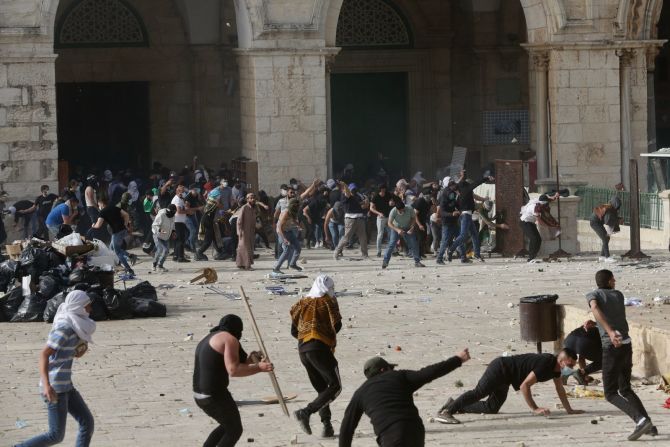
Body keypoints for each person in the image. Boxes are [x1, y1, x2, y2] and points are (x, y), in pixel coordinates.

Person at [339, 349, 470, 447]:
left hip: (391, 435)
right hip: (415, 430)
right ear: (383, 369)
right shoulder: (400, 376)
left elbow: (346, 428)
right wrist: (458, 359)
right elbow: (430, 372)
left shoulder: (360, 393)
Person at [16, 290, 96, 447]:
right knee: (55, 435)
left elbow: (65, 354)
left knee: (87, 422)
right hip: (55, 388)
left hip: (66, 385)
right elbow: (44, 355)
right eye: (88, 306)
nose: (90, 309)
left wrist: (79, 351)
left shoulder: (75, 325)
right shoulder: (65, 327)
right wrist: (46, 386)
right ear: (78, 307)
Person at [586, 270, 658, 440]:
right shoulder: (618, 295)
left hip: (611, 347)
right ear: (609, 281)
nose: (615, 281)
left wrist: (609, 331)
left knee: (610, 393)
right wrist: (601, 326)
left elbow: (595, 308)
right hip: (626, 345)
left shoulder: (593, 294)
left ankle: (640, 420)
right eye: (613, 279)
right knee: (625, 388)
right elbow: (610, 315)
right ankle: (649, 425)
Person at [435, 349, 583, 424]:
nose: (570, 368)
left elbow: (560, 389)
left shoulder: (556, 370)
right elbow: (525, 386)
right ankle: (447, 411)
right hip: (500, 368)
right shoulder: (546, 365)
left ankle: (454, 403)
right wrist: (535, 409)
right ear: (562, 361)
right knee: (479, 392)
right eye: (570, 364)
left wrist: (569, 410)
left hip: (507, 377)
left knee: (491, 407)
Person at [193, 315, 273, 447]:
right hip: (215, 394)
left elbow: (238, 362)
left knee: (227, 426)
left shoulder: (210, 337)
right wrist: (259, 368)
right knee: (234, 430)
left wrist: (253, 358)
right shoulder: (229, 339)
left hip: (199, 395)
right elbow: (234, 370)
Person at [290, 275, 342, 438]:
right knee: (335, 386)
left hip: (303, 350)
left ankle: (327, 426)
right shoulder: (328, 301)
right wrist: (322, 335)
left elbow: (294, 330)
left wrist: (307, 336)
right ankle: (306, 412)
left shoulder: (301, 302)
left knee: (322, 390)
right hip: (319, 348)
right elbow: (337, 324)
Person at [447, 171, 494, 263]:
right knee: (463, 235)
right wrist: (487, 178)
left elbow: (460, 185)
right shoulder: (467, 188)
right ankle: (451, 250)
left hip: (466, 215)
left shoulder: (459, 188)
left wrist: (462, 175)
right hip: (465, 216)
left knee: (474, 235)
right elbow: (477, 182)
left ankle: (477, 254)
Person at [91, 196, 134, 277]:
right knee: (111, 249)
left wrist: (93, 226)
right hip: (122, 230)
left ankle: (129, 270)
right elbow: (126, 215)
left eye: (98, 204)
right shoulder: (115, 207)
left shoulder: (102, 212)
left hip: (116, 232)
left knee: (117, 252)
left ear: (101, 203)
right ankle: (127, 258)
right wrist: (125, 224)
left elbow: (98, 225)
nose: (98, 206)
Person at [382, 200, 425, 269]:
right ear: (396, 209)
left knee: (414, 243)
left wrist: (412, 227)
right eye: (400, 211)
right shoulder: (393, 211)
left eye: (402, 210)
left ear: (404, 208)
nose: (401, 212)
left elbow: (413, 218)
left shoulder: (410, 209)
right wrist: (397, 230)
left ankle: (417, 262)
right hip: (396, 228)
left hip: (407, 227)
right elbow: (389, 223)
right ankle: (385, 261)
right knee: (392, 244)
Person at [519, 192, 560, 263]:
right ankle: (531, 257)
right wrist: (549, 227)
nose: (545, 206)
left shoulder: (540, 201)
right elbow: (540, 222)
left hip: (530, 222)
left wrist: (555, 196)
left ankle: (534, 255)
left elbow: (549, 199)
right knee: (534, 238)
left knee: (538, 239)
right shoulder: (536, 208)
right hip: (525, 222)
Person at [334, 182, 369, 260]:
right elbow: (348, 193)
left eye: (354, 189)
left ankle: (365, 254)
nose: (354, 191)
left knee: (363, 238)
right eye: (352, 189)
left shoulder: (358, 196)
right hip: (350, 219)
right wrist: (345, 185)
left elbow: (363, 207)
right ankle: (336, 252)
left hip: (360, 219)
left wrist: (366, 203)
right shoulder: (345, 195)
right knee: (346, 238)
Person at [590, 183, 623, 262]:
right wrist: (617, 220)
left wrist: (617, 219)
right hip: (595, 223)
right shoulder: (608, 209)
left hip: (597, 222)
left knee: (606, 238)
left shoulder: (610, 207)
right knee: (605, 238)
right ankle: (607, 257)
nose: (617, 208)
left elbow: (609, 218)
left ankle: (602, 256)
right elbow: (607, 221)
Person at [563, 320, 602, 384]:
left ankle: (564, 375)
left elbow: (582, 355)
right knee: (606, 360)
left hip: (570, 340)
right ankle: (582, 373)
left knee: (581, 352)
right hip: (584, 343)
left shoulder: (592, 327)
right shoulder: (608, 329)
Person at [273, 198, 302, 274]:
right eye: (296, 206)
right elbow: (279, 227)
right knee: (287, 250)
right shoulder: (286, 213)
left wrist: (298, 225)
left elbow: (293, 220)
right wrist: (284, 239)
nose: (298, 207)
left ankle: (292, 264)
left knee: (298, 247)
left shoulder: (292, 213)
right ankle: (276, 268)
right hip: (282, 232)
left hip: (289, 231)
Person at [151, 204, 176, 272]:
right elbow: (154, 225)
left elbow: (173, 225)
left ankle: (160, 266)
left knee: (166, 251)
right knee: (160, 249)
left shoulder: (173, 216)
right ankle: (154, 264)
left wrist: (173, 232)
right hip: (157, 235)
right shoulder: (161, 215)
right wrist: (160, 230)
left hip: (166, 236)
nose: (172, 215)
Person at [235, 193, 257, 270]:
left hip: (250, 231)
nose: (253, 199)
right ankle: (247, 266)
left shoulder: (253, 208)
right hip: (243, 231)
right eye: (250, 198)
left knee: (245, 248)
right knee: (245, 248)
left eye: (253, 197)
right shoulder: (244, 208)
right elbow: (239, 221)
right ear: (247, 199)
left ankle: (240, 264)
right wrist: (239, 231)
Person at [370, 184, 392, 257]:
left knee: (391, 233)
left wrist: (392, 203)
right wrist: (379, 213)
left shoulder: (388, 195)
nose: (383, 190)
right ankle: (379, 251)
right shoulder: (375, 197)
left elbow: (392, 202)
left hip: (389, 217)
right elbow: (371, 208)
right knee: (380, 234)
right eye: (382, 189)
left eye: (384, 188)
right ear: (379, 189)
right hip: (380, 218)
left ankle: (393, 250)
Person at [171, 184, 189, 263]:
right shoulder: (177, 199)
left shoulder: (180, 199)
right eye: (182, 191)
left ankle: (176, 255)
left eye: (184, 191)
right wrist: (187, 211)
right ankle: (180, 257)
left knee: (178, 239)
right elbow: (179, 211)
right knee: (180, 239)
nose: (183, 193)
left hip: (179, 221)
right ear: (178, 192)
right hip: (177, 221)